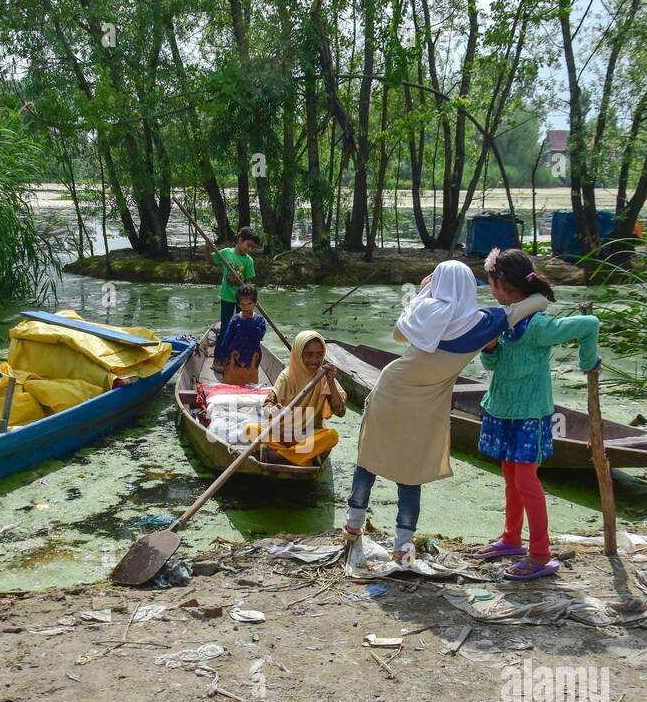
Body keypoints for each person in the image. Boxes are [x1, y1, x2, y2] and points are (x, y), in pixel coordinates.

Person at [345, 259, 549, 562]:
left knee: (369, 457)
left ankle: (352, 526)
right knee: (412, 471)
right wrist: (535, 287)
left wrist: (424, 293)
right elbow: (535, 303)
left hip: (392, 388)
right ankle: (402, 546)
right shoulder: (484, 323)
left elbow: (400, 335)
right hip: (428, 401)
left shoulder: (425, 311)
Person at [473, 248, 600, 580]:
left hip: (530, 412)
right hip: (502, 406)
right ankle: (511, 538)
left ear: (502, 283)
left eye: (491, 283)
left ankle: (541, 554)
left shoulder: (539, 324)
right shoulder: (506, 319)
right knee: (510, 474)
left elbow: (588, 324)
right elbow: (495, 364)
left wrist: (589, 361)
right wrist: (491, 349)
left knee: (527, 479)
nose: (490, 290)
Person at [246, 330, 346, 465]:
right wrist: (275, 411)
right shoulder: (287, 376)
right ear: (299, 354)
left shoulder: (323, 376)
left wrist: (331, 382)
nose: (314, 361)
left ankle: (280, 457)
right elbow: (267, 406)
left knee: (332, 435)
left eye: (319, 355)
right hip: (282, 434)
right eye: (309, 355)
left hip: (307, 436)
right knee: (250, 429)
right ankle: (302, 457)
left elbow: (340, 411)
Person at [204, 226, 260, 367]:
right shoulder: (226, 253)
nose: (249, 249)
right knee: (225, 327)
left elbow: (248, 283)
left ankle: (235, 358)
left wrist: (248, 298)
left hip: (242, 302)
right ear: (240, 240)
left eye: (252, 247)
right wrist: (208, 248)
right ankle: (218, 359)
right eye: (248, 245)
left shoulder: (248, 261)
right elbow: (210, 260)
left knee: (240, 328)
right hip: (227, 297)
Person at [215, 284, 266, 384]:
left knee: (250, 385)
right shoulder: (235, 319)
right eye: (242, 304)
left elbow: (258, 337)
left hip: (251, 360)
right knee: (231, 383)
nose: (246, 307)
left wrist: (249, 321)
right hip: (234, 360)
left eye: (249, 304)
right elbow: (227, 339)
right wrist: (223, 356)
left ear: (255, 303)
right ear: (238, 304)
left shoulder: (259, 321)